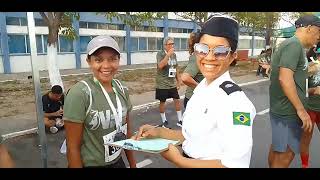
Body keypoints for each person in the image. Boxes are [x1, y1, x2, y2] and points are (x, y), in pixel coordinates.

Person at [133, 15, 256, 168]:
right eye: (203, 49)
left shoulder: (236, 103)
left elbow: (234, 164)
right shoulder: (201, 89)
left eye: (221, 51)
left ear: (232, 57)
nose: (209, 57)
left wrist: (179, 160)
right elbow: (192, 137)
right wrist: (159, 133)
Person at [63, 35, 136, 168]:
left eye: (113, 59)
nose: (106, 66)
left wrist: (133, 165)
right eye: (98, 60)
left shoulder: (122, 89)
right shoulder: (80, 94)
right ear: (89, 61)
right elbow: (72, 147)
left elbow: (127, 133)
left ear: (119, 60)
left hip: (117, 162)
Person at [268, 15, 320, 168]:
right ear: (309, 28)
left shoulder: (297, 47)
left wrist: (312, 90)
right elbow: (285, 79)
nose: (319, 36)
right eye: (319, 32)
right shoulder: (294, 45)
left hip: (285, 109)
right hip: (288, 111)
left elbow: (295, 82)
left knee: (278, 151)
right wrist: (301, 110)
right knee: (285, 156)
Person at [299, 45, 320, 168]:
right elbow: (299, 91)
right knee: (306, 140)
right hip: (310, 109)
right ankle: (304, 165)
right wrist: (313, 90)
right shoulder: (311, 68)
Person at [156, 36, 183, 128]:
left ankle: (180, 120)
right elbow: (160, 66)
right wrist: (168, 55)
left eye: (173, 44)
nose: (172, 46)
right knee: (162, 102)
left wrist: (179, 80)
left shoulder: (174, 55)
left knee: (177, 100)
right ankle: (164, 121)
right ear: (165, 45)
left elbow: (176, 68)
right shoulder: (160, 54)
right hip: (162, 83)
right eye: (170, 44)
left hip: (171, 83)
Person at [181, 32, 204, 108]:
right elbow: (185, 78)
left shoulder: (200, 56)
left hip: (197, 99)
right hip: (193, 100)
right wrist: (201, 88)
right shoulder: (196, 57)